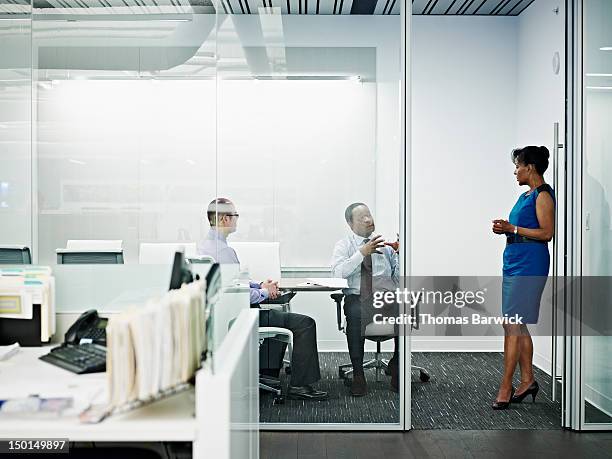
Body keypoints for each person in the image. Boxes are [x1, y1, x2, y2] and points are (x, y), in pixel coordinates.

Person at [198, 198, 328, 401]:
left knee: (277, 316)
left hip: (227, 315)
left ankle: (267, 374)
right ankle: (299, 386)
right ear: (224, 219)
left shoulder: (207, 246)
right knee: (304, 324)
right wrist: (266, 293)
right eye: (235, 215)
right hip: (241, 315)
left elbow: (234, 282)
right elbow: (237, 293)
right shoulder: (223, 251)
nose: (237, 220)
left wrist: (259, 285)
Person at [491, 146, 555, 410]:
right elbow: (521, 229)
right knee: (516, 324)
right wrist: (506, 230)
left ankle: (506, 386)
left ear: (530, 167)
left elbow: (547, 233)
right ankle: (527, 380)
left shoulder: (542, 195)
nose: (515, 171)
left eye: (518, 165)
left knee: (512, 324)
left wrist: (513, 228)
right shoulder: (524, 195)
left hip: (530, 262)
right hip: (514, 259)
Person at [331, 203, 400, 397]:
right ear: (350, 224)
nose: (369, 220)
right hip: (358, 298)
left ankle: (397, 364)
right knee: (354, 313)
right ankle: (358, 374)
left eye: (369, 215)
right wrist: (362, 253)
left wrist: (401, 254)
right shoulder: (344, 245)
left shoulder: (385, 247)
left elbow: (398, 280)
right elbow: (337, 274)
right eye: (362, 218)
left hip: (385, 298)